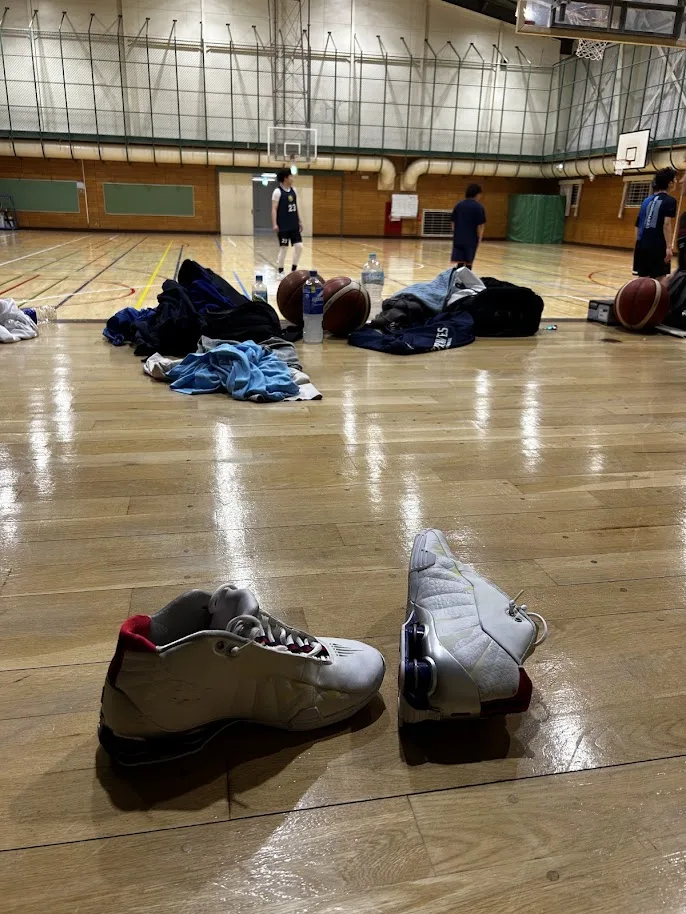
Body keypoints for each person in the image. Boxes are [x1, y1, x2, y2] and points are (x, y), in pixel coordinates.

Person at [633, 167, 678, 279]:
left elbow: (638, 225)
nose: (677, 181)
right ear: (670, 183)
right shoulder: (670, 201)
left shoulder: (646, 200)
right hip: (658, 246)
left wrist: (638, 245)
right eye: (675, 179)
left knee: (642, 279)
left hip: (642, 245)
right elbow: (666, 224)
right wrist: (669, 247)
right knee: (660, 279)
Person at [272, 168, 304, 275]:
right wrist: (275, 224)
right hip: (283, 225)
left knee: (299, 246)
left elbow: (295, 206)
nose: (292, 178)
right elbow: (274, 209)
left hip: (294, 224)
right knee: (284, 248)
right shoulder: (277, 192)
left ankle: (293, 269)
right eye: (291, 176)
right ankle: (280, 271)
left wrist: (299, 221)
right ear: (286, 178)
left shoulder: (293, 190)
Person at [450, 183, 486, 268]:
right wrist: (479, 238)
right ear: (477, 194)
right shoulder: (479, 207)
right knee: (469, 263)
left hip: (459, 238)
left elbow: (453, 221)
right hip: (471, 239)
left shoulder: (459, 205)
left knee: (460, 262)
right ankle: (467, 276)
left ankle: (458, 276)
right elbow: (480, 225)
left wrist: (455, 233)